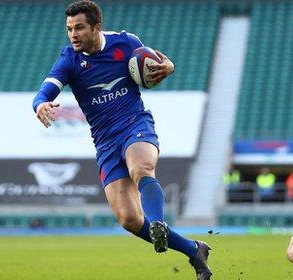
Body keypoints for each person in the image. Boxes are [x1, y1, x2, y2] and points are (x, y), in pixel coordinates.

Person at [31, 1, 211, 279]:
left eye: (79, 27)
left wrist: (168, 67)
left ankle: (159, 223)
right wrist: (40, 104)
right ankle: (194, 250)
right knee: (128, 219)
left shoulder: (126, 43)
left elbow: (157, 65)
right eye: (69, 29)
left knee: (141, 168)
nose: (73, 34)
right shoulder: (69, 59)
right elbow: (46, 89)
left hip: (134, 123)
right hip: (104, 141)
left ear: (96, 27)